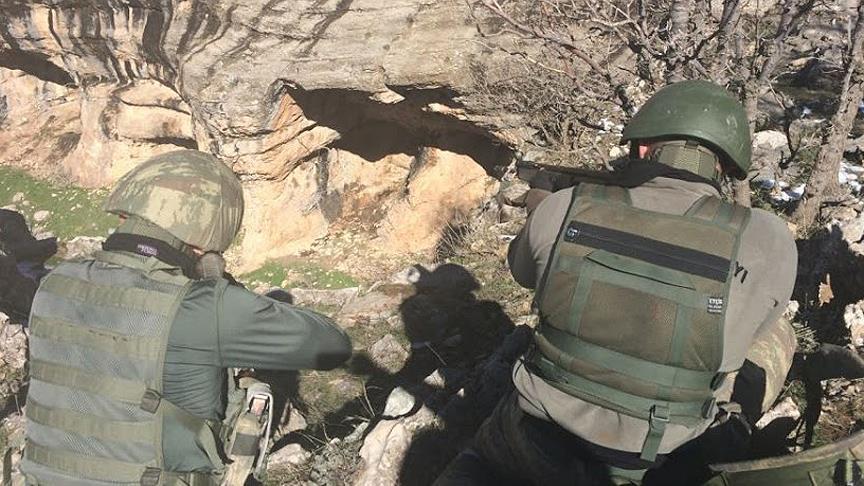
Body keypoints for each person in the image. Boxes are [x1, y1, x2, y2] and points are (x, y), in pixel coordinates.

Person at [435, 80, 798, 485]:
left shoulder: (564, 206)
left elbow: (522, 272)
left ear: (642, 149)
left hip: (537, 445)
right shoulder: (768, 239)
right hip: (665, 464)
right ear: (726, 167)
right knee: (777, 335)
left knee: (482, 450)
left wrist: (543, 205)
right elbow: (756, 327)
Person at [19, 150, 353, 485]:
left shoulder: (55, 284)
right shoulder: (200, 307)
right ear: (204, 241)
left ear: (126, 215)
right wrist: (219, 285)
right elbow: (332, 346)